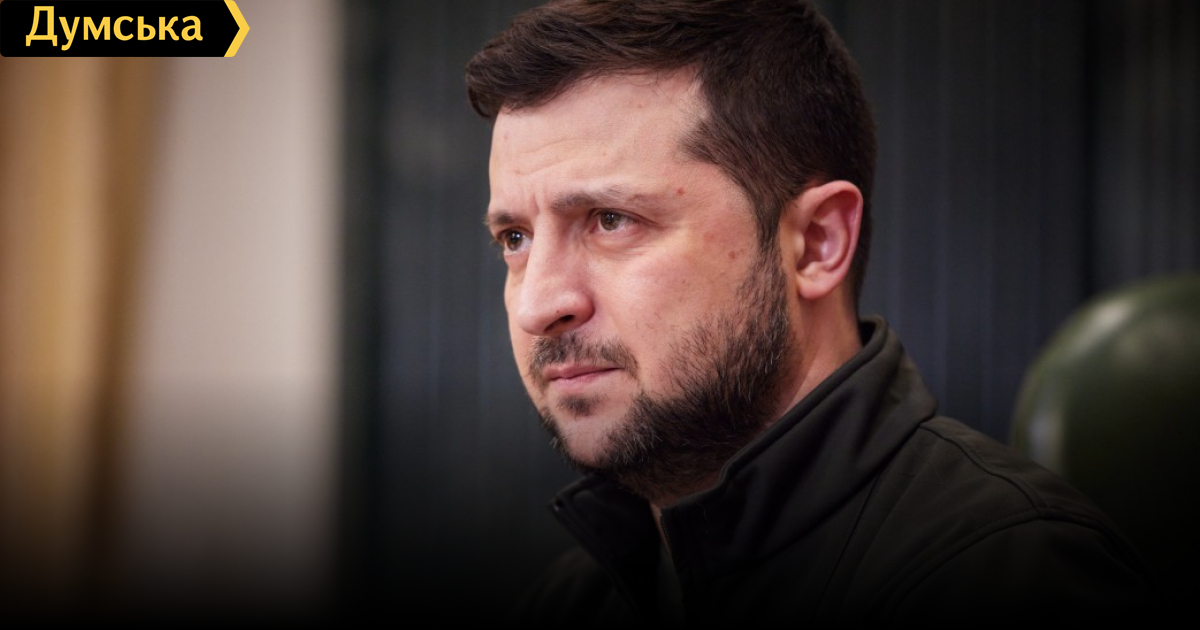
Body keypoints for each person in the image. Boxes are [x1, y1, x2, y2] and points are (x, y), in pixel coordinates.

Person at [465, 0, 1158, 624]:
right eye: (515, 239)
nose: (538, 305)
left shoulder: (1005, 575)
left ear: (818, 244)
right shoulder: (577, 598)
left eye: (611, 220)